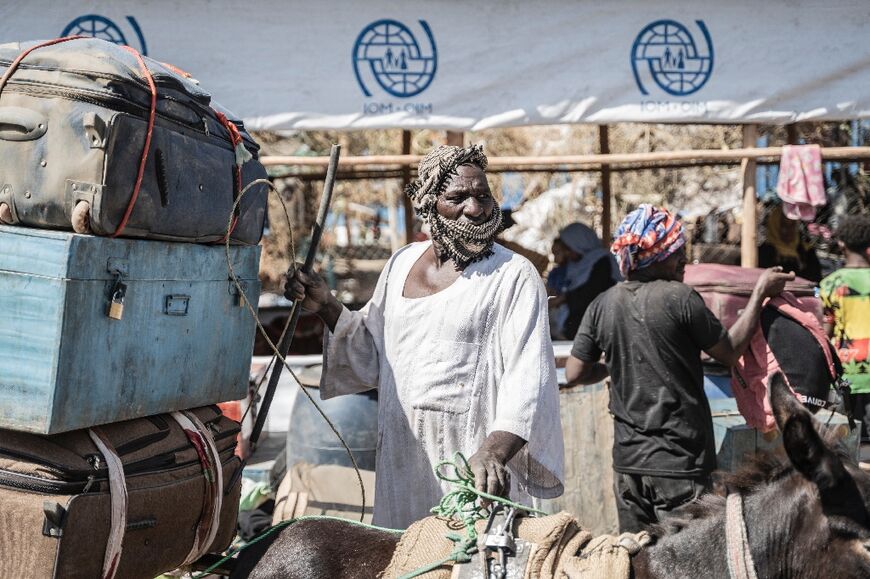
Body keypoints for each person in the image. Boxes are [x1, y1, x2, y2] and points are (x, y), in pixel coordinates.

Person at [285, 144, 563, 529]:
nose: (476, 207)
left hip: (473, 470)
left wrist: (493, 453)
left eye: (483, 195)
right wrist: (327, 305)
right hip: (402, 460)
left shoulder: (514, 275)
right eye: (458, 197)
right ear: (430, 204)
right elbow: (371, 353)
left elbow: (528, 377)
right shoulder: (399, 265)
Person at [564, 204, 793, 533]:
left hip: (629, 470)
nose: (683, 260)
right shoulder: (680, 298)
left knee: (638, 559)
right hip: (680, 465)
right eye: (676, 252)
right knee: (688, 562)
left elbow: (574, 374)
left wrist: (611, 368)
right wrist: (759, 294)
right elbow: (729, 353)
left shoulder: (603, 303)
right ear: (657, 256)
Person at [820, 214, 870, 441]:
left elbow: (825, 331)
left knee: (847, 440)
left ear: (841, 243)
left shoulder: (830, 284)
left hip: (845, 371)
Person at [556, 222, 621, 339]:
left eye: (569, 250)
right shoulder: (575, 265)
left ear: (579, 244)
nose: (567, 254)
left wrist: (565, 298)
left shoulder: (601, 262)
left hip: (596, 329)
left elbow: (591, 295)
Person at [758, 204, 822, 281]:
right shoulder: (765, 252)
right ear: (774, 226)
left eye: (792, 225)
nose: (788, 230)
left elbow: (816, 280)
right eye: (783, 225)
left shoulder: (806, 252)